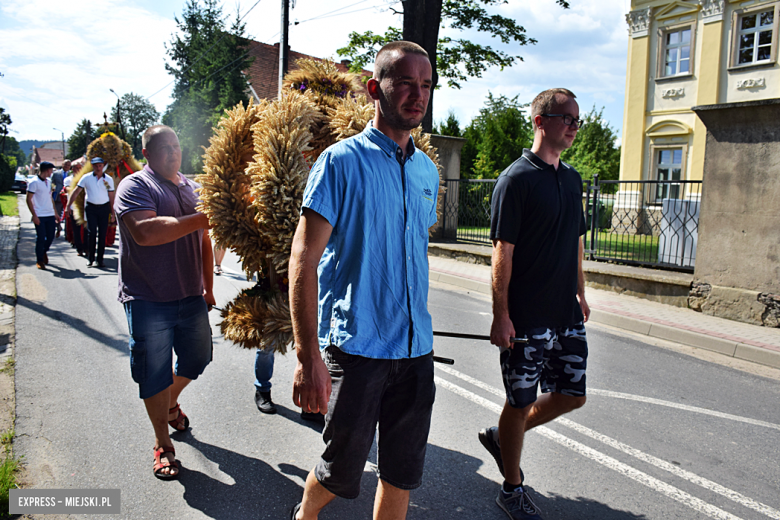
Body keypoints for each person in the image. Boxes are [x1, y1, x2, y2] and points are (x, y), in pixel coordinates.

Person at [288, 41, 439, 520]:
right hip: (358, 350)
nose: (419, 95)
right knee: (339, 473)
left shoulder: (426, 171)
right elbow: (303, 261)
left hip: (416, 352)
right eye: (406, 84)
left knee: (401, 474)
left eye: (427, 85)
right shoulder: (340, 163)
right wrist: (308, 355)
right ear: (376, 89)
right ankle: (305, 515)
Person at [480, 88, 590, 520]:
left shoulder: (574, 178)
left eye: (577, 120)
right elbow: (501, 252)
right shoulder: (516, 180)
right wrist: (500, 315)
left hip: (565, 313)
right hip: (526, 318)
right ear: (540, 120)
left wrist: (581, 291)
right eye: (567, 118)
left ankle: (502, 437)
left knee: (572, 395)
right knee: (520, 401)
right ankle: (511, 487)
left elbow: (575, 242)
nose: (574, 127)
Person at [113, 124, 215, 480]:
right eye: (164, 147)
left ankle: (169, 402)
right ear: (146, 154)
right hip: (148, 298)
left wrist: (209, 286)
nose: (173, 152)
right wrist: (200, 219)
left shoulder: (192, 187)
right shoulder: (135, 186)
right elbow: (145, 231)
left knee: (198, 357)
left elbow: (204, 240)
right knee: (152, 374)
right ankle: (163, 445)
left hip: (190, 295)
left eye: (176, 145)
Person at [65, 157, 115, 267]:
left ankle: (100, 259)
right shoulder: (86, 178)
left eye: (100, 165)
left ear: (103, 166)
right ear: (92, 166)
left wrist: (113, 213)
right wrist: (68, 205)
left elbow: (111, 196)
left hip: (104, 208)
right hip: (91, 208)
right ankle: (91, 258)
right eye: (96, 165)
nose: (98, 167)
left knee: (102, 234)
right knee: (92, 233)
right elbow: (76, 191)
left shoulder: (108, 179)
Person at [26, 162, 60, 270]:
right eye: (51, 170)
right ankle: (39, 260)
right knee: (41, 237)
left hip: (49, 213)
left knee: (50, 237)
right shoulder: (33, 182)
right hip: (39, 214)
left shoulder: (48, 182)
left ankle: (43, 251)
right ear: (46, 170)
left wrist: (55, 213)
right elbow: (28, 199)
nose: (52, 172)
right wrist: (34, 215)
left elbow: (50, 198)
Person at [63, 164, 85, 256]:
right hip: (74, 207)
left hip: (84, 206)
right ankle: (79, 248)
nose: (78, 170)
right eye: (76, 168)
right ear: (72, 169)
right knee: (76, 229)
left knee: (86, 229)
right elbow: (68, 190)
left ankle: (86, 248)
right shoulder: (68, 179)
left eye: (80, 168)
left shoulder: (84, 177)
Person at [51, 160, 69, 236]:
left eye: (68, 165)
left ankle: (67, 233)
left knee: (67, 216)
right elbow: (51, 183)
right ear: (62, 164)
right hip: (58, 197)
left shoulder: (71, 174)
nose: (66, 166)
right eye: (65, 164)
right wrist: (53, 189)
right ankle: (58, 227)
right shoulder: (56, 173)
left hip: (68, 197)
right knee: (57, 214)